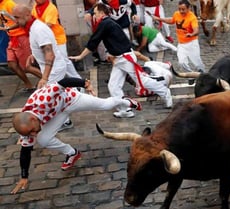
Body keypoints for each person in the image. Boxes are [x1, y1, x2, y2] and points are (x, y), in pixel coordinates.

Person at [10, 76, 141, 194]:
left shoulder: (43, 99)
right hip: (59, 112)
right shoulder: (26, 126)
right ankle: (72, 153)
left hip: (71, 99)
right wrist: (24, 176)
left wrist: (85, 83)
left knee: (105, 105)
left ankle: (125, 101)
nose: (33, 134)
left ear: (33, 119)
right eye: (30, 133)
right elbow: (25, 151)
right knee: (43, 139)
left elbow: (64, 81)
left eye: (32, 131)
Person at [70, 3, 173, 112]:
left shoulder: (105, 23)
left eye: (95, 13)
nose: (94, 16)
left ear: (101, 13)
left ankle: (165, 92)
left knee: (142, 81)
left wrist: (81, 56)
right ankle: (125, 110)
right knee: (113, 86)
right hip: (120, 59)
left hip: (125, 59)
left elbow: (93, 41)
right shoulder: (107, 23)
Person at [31, 0, 83, 80]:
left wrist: (37, 32)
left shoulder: (51, 8)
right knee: (56, 62)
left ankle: (78, 81)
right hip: (46, 39)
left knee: (64, 60)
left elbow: (48, 24)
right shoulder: (35, 8)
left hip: (57, 39)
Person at [151, 0, 205, 76]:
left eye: (183, 9)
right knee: (182, 62)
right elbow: (171, 21)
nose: (181, 11)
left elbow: (196, 30)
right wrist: (159, 19)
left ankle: (203, 74)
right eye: (179, 9)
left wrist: (191, 34)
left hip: (192, 44)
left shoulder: (192, 17)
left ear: (188, 8)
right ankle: (191, 75)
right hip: (181, 44)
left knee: (197, 62)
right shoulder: (176, 14)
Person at [0, 0, 42, 91]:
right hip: (12, 38)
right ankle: (29, 85)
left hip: (21, 37)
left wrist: (8, 28)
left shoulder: (9, 4)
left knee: (27, 67)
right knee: (11, 64)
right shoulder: (1, 5)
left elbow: (20, 20)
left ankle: (50, 81)